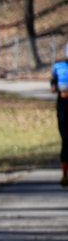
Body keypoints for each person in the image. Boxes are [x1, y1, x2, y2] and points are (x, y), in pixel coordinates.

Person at [50, 42, 68, 187]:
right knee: (65, 140)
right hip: (63, 106)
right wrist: (54, 86)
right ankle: (64, 174)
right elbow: (53, 81)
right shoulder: (59, 66)